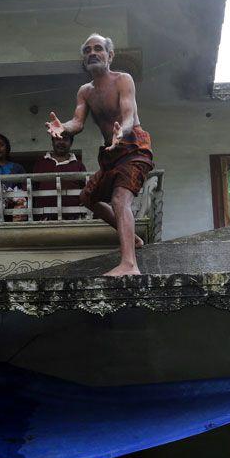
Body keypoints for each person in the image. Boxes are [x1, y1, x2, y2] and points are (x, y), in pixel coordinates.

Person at [46, 33, 154, 276]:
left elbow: (128, 114)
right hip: (110, 153)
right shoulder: (85, 91)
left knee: (119, 199)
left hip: (133, 146)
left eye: (98, 48)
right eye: (87, 50)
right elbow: (77, 122)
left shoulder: (123, 80)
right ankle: (131, 237)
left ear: (110, 55)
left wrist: (122, 132)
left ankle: (129, 264)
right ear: (84, 59)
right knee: (88, 198)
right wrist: (62, 128)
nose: (92, 53)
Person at [32, 135, 86, 220]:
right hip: (44, 217)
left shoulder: (78, 165)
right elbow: (32, 187)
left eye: (65, 139)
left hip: (72, 217)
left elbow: (85, 189)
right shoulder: (41, 163)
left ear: (71, 143)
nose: (61, 142)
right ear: (52, 141)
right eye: (57, 139)